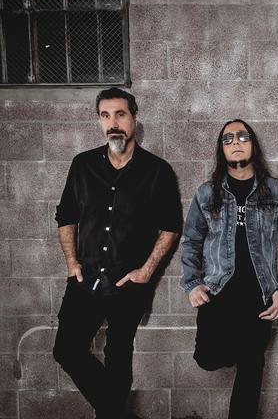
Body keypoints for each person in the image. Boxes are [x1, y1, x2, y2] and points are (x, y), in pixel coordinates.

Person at [52, 88, 182, 419]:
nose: (113, 123)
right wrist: (72, 262)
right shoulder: (82, 165)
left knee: (118, 356)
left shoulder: (157, 171)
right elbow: (66, 217)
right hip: (84, 279)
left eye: (120, 114)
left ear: (135, 119)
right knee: (66, 350)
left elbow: (170, 227)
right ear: (99, 121)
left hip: (128, 283)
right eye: (105, 115)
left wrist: (146, 271)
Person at [181, 119, 278, 419]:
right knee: (207, 358)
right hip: (217, 292)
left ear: (253, 145)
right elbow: (191, 241)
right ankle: (239, 343)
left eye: (242, 137)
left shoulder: (276, 192)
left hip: (260, 295)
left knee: (252, 366)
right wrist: (192, 284)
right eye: (228, 139)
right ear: (221, 150)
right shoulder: (206, 194)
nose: (235, 142)